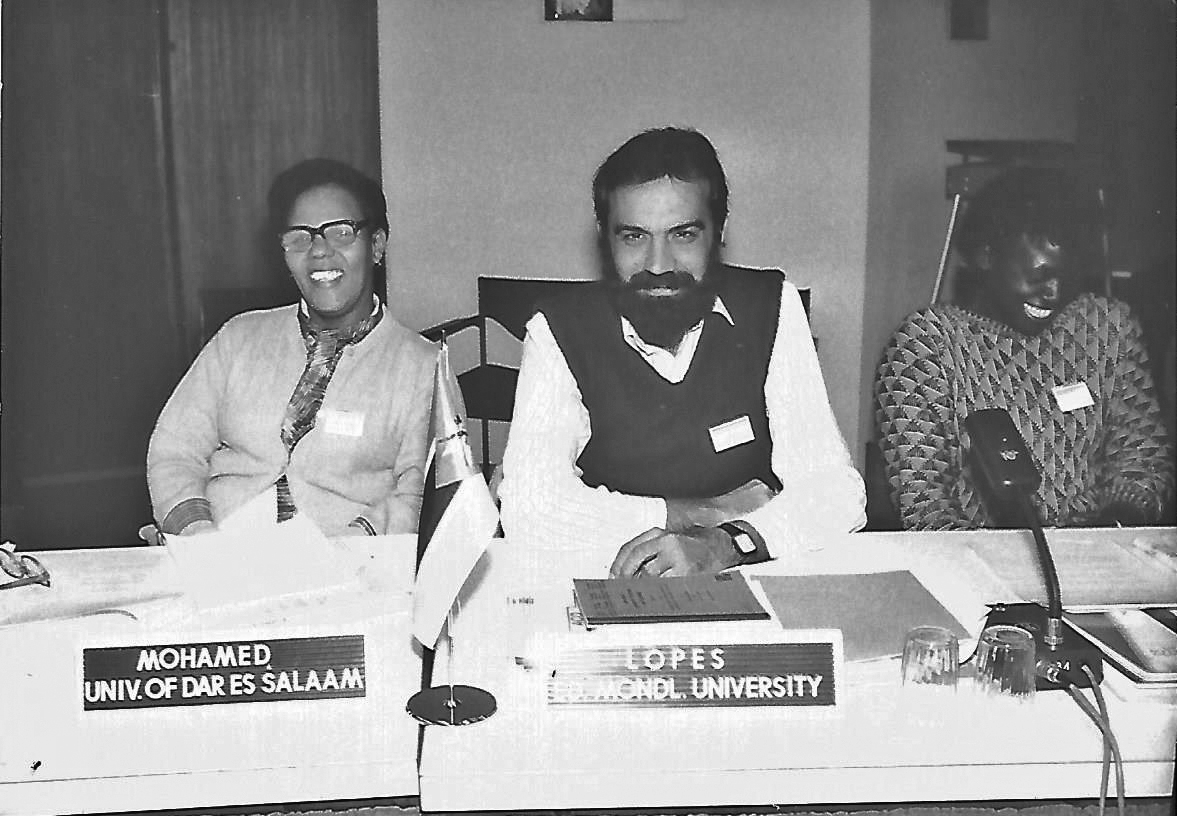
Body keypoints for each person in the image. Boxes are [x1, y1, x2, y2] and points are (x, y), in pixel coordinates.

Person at [498, 127, 865, 576]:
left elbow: (835, 492)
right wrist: (706, 513)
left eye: (683, 235)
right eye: (634, 237)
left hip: (746, 575)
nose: (658, 265)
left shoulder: (771, 306)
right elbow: (530, 509)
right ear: (604, 238)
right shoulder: (557, 328)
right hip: (611, 578)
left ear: (719, 230)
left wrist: (727, 543)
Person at [147, 158, 435, 538]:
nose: (319, 251)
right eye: (300, 237)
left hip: (348, 561)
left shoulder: (423, 368)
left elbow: (419, 496)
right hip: (216, 548)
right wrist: (197, 535)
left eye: (341, 233)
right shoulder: (238, 338)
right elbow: (173, 450)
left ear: (376, 246)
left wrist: (345, 552)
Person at [875, 166, 1174, 530]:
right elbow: (924, 501)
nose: (1054, 293)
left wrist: (1110, 528)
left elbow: (1142, 457)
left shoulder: (1109, 328)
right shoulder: (925, 345)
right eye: (1040, 276)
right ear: (987, 256)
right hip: (980, 554)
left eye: (1066, 278)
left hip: (1100, 543)